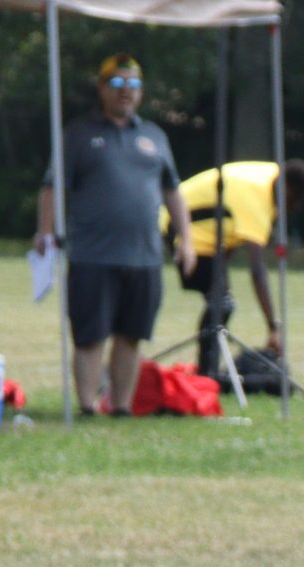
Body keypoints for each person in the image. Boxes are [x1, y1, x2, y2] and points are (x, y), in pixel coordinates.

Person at [36, 55, 193, 416]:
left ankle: (121, 407)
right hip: (92, 254)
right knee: (90, 336)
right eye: (118, 84)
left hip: (144, 256)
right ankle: (88, 406)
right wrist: (45, 233)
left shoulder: (154, 136)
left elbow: (172, 190)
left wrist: (185, 238)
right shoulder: (78, 134)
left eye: (133, 85)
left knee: (132, 335)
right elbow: (52, 187)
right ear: (102, 87)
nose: (126, 93)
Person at [166, 158, 304, 374]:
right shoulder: (256, 199)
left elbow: (228, 222)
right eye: (295, 199)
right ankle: (207, 373)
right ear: (287, 187)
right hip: (181, 231)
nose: (295, 206)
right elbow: (257, 270)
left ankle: (208, 371)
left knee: (221, 303)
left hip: (204, 238)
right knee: (221, 304)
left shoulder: (273, 176)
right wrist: (273, 327)